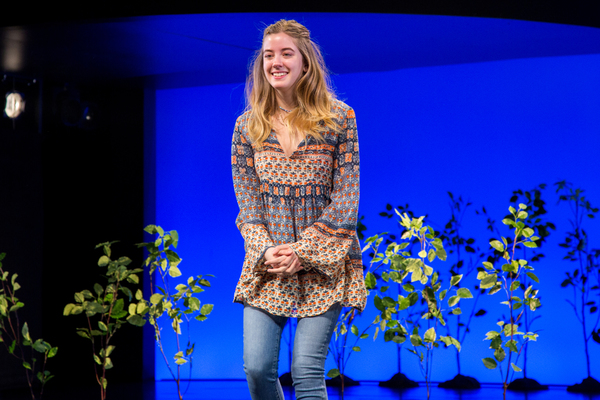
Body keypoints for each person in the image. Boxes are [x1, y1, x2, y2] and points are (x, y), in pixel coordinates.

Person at [231, 19, 366, 400]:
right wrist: (266, 250)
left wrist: (302, 252)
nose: (275, 61)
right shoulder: (246, 128)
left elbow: (345, 199)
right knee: (257, 370)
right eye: (268, 55)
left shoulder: (340, 119)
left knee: (306, 372)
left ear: (304, 62)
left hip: (323, 263)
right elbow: (248, 206)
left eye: (285, 53)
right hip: (269, 263)